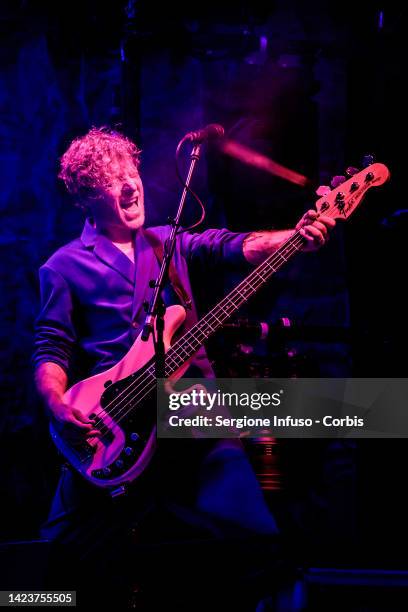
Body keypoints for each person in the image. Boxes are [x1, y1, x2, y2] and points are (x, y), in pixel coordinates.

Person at [33, 126, 334, 605]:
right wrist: (55, 402)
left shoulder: (167, 243)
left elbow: (236, 245)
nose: (131, 184)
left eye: (131, 172)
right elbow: (51, 348)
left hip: (192, 416)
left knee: (262, 548)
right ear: (87, 199)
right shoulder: (63, 266)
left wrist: (296, 237)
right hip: (111, 429)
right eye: (112, 180)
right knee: (52, 573)